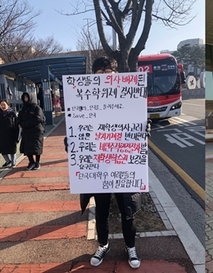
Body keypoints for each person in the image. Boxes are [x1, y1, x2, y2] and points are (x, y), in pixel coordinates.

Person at [67, 56, 150, 269]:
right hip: (99, 169)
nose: (104, 76)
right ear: (94, 76)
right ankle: (103, 244)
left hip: (123, 166)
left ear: (115, 73)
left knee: (127, 212)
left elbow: (139, 121)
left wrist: (144, 129)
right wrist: (73, 140)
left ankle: (130, 246)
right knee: (101, 213)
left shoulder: (129, 95)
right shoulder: (83, 99)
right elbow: (78, 127)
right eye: (100, 73)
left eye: (108, 72)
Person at [17, 92, 45, 170]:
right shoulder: (23, 108)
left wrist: (24, 124)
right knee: (27, 148)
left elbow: (38, 119)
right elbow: (19, 117)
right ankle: (31, 162)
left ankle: (37, 163)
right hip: (26, 132)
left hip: (36, 131)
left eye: (27, 97)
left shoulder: (37, 108)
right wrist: (19, 123)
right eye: (24, 97)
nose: (26, 99)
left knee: (36, 148)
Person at [0, 99, 19, 168]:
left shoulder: (12, 114)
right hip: (2, 135)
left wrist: (17, 136)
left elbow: (16, 125)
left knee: (12, 149)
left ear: (8, 105)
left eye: (4, 104)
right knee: (2, 150)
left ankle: (13, 162)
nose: (3, 106)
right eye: (1, 105)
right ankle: (8, 161)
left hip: (11, 134)